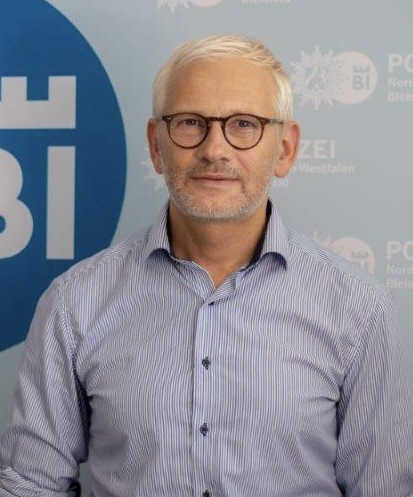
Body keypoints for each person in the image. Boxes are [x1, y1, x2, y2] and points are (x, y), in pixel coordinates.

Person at [0, 34, 412, 497]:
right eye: (191, 122)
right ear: (156, 145)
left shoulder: (359, 309)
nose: (215, 149)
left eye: (244, 124)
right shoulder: (74, 301)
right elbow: (30, 484)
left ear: (285, 149)